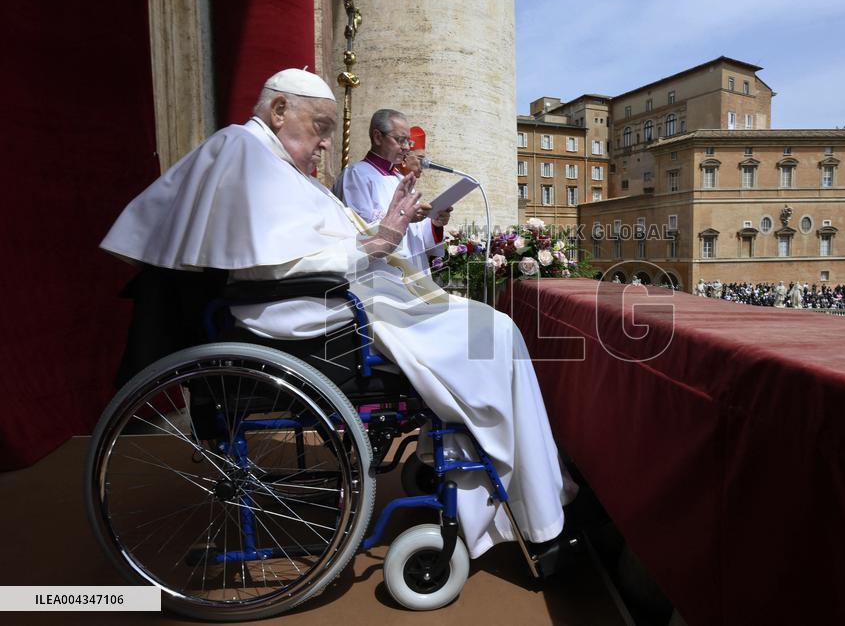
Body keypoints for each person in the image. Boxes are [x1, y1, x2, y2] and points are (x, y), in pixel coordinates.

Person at [101, 68, 575, 559]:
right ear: (280, 110)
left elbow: (306, 245)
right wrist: (376, 242)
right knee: (494, 336)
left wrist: (379, 232)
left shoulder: (271, 159)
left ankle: (518, 489)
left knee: (494, 331)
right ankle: (530, 508)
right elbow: (272, 266)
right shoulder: (243, 152)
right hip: (314, 319)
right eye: (320, 127)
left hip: (336, 303)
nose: (326, 143)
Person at [334, 111, 450, 274]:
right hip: (379, 277)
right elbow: (358, 229)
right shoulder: (356, 174)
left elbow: (416, 236)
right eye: (400, 140)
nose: (406, 148)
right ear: (378, 137)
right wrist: (405, 217)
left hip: (412, 272)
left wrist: (435, 223)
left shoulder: (400, 178)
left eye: (408, 141)